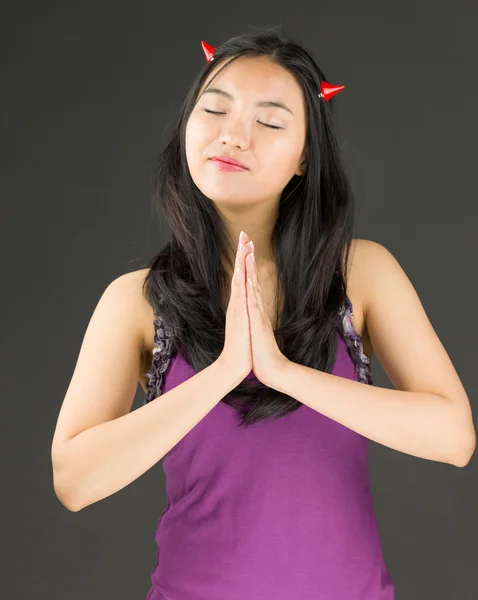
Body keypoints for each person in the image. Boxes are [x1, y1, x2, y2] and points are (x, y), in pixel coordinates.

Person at [51, 25, 474, 600]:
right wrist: (225, 372)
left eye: (269, 122)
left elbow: (454, 438)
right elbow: (74, 481)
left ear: (305, 158)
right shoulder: (136, 300)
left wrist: (282, 372)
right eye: (215, 110)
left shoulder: (361, 274)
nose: (232, 136)